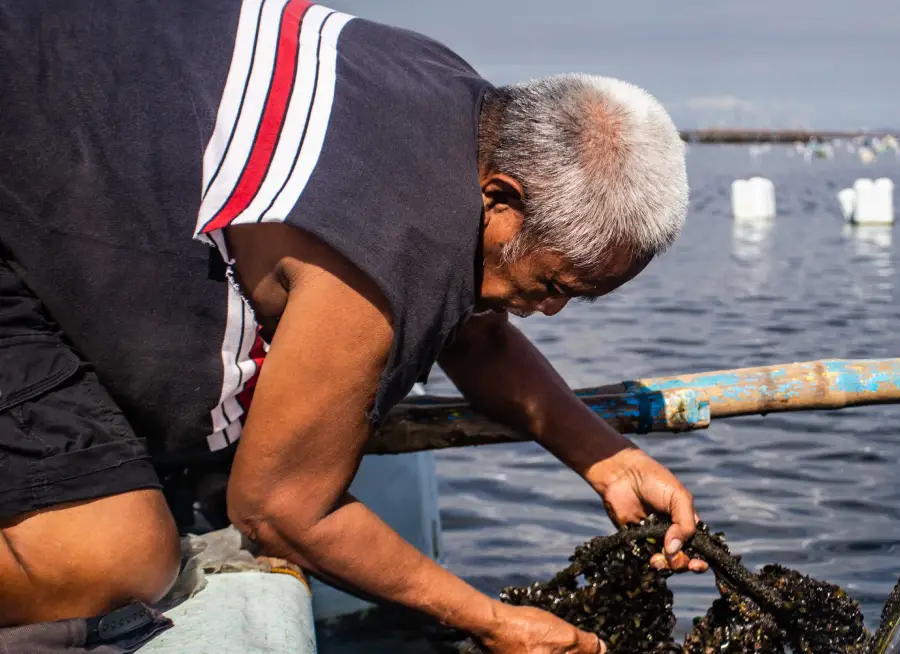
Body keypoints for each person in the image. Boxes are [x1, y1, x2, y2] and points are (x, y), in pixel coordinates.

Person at [0, 0, 702, 651]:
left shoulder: (458, 107)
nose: (550, 311)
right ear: (502, 199)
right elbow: (276, 508)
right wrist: (493, 621)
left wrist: (609, 458)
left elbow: (474, 329)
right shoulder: (397, 245)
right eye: (552, 287)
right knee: (114, 560)